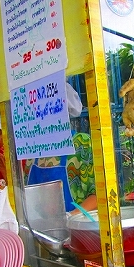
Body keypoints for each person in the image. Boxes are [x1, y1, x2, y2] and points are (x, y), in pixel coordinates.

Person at [23, 83, 97, 215]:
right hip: (40, 230)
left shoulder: (81, 143)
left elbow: (98, 195)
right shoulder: (32, 150)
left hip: (78, 228)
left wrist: (70, 217)